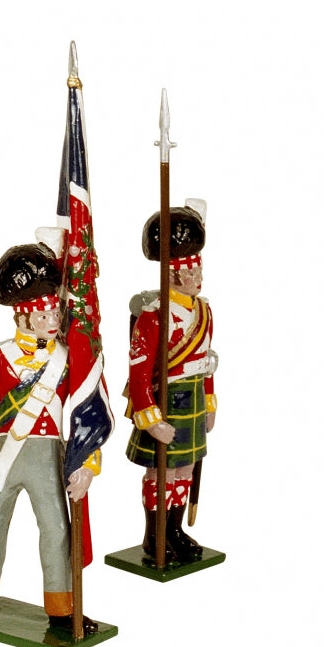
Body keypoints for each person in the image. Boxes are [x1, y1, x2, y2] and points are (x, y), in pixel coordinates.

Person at [0, 242, 99, 634]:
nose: (52, 320)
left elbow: (83, 408)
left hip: (48, 455)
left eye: (55, 312)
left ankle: (61, 606)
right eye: (43, 314)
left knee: (56, 530)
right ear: (22, 316)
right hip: (3, 452)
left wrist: (88, 461)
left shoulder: (68, 358)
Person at [125, 201, 216, 563]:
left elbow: (206, 362)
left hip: (192, 396)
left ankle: (175, 531)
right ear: (173, 275)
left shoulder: (204, 310)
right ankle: (154, 535)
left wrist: (209, 401)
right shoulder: (154, 316)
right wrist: (150, 419)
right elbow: (138, 375)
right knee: (160, 472)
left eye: (198, 268)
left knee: (185, 468)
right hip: (165, 399)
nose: (198, 276)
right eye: (190, 271)